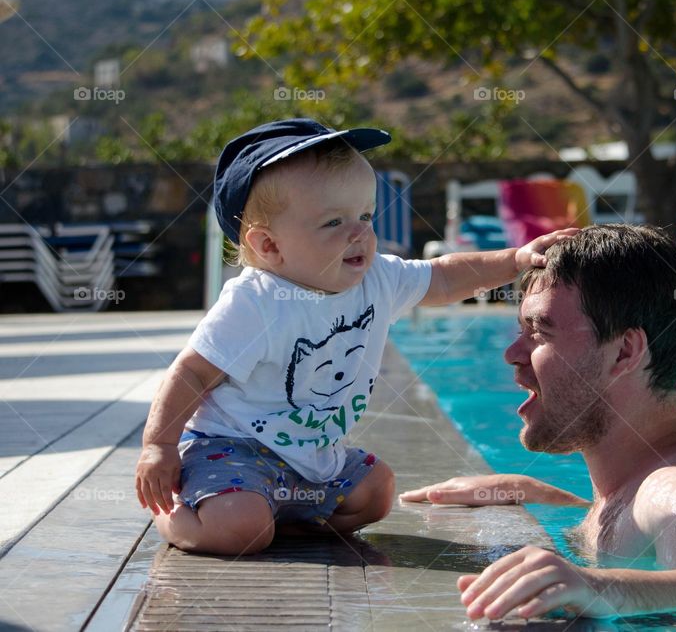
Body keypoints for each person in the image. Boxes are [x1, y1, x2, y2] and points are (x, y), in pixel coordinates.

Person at [133, 118, 576, 555]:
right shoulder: (255, 303)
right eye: (333, 223)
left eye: (365, 215)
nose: (361, 232)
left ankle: (281, 517)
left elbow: (443, 279)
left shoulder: (377, 277)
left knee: (375, 492)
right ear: (270, 246)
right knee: (237, 532)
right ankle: (176, 511)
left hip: (311, 457)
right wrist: (159, 446)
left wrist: (515, 258)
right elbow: (191, 373)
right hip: (232, 450)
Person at [400, 224, 676, 619]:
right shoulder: (636, 485)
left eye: (539, 332)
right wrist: (542, 497)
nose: (512, 353)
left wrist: (601, 587)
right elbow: (640, 528)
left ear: (624, 352)